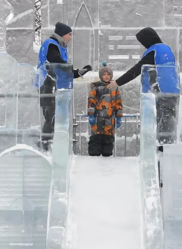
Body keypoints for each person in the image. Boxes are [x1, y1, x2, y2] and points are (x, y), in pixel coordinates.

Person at [110, 27, 179, 143]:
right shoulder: (167, 49)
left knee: (160, 127)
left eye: (142, 42)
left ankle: (161, 153)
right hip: (173, 91)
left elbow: (137, 69)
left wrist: (117, 82)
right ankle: (168, 149)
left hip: (159, 93)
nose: (143, 45)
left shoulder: (154, 51)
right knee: (169, 126)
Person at [37, 22, 92, 150]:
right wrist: (71, 69)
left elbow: (61, 70)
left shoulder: (60, 47)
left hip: (54, 85)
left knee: (53, 117)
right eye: (69, 34)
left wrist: (77, 73)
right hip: (47, 85)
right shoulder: (52, 44)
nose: (70, 37)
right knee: (51, 117)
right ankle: (45, 145)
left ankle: (47, 144)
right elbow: (56, 61)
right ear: (62, 34)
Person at [87, 63, 123, 157]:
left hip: (110, 119)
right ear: (100, 76)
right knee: (96, 139)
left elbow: (118, 103)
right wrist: (91, 114)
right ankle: (94, 159)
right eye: (104, 74)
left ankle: (107, 159)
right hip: (97, 118)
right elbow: (91, 101)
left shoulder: (115, 88)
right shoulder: (96, 87)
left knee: (108, 140)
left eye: (108, 74)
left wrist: (119, 117)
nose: (106, 76)